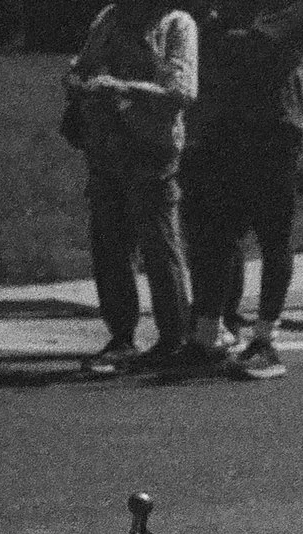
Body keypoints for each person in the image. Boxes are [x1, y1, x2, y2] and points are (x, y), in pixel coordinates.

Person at [180, 0, 303, 379]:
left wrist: (218, 33)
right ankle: (207, 334)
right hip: (229, 122)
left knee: (273, 235)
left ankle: (265, 339)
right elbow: (208, 37)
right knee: (219, 231)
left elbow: (257, 49)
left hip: (275, 126)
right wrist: (220, 34)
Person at [68, 0, 198, 374]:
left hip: (151, 149)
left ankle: (174, 338)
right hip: (105, 146)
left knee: (160, 245)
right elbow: (83, 66)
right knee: (108, 244)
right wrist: (77, 81)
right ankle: (122, 337)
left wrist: (122, 88)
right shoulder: (108, 18)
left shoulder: (177, 25)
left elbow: (181, 92)